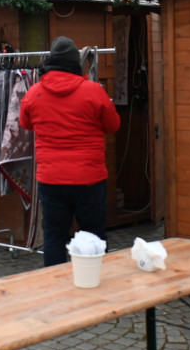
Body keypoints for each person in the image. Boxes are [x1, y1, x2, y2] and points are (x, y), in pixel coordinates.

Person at [19, 36, 121, 267]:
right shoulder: (94, 92)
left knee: (55, 235)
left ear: (50, 62)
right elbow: (113, 125)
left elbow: (26, 124)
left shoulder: (33, 94)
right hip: (89, 178)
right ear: (76, 62)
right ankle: (92, 283)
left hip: (51, 179)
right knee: (93, 235)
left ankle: (57, 290)